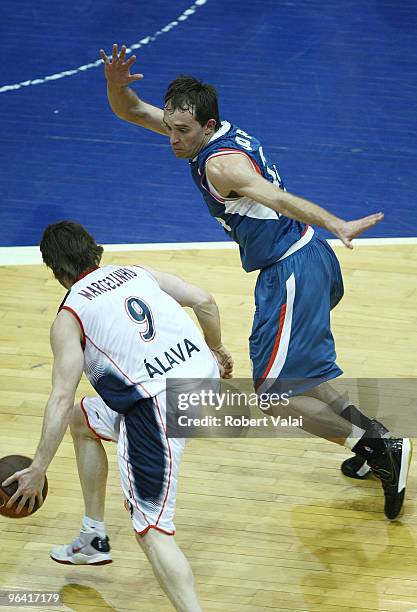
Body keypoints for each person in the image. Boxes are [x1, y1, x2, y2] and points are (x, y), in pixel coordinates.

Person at [98, 44, 412, 520]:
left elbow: (277, 198)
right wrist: (116, 84)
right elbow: (130, 109)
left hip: (292, 270)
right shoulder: (204, 129)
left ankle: (377, 447)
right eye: (170, 127)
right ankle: (378, 437)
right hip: (305, 261)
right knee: (308, 377)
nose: (172, 138)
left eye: (181, 131)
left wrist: (338, 223)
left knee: (272, 398)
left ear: (206, 127)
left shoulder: (223, 164)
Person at [2, 220, 233, 612]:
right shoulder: (136, 272)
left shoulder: (70, 316)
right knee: (81, 419)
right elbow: (204, 300)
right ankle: (93, 539)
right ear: (95, 250)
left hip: (157, 409)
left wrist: (39, 467)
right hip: (201, 383)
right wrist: (218, 349)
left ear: (56, 271)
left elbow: (59, 397)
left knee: (152, 531)